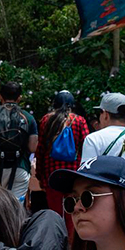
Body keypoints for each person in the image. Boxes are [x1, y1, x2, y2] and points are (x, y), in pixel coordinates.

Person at [35, 91, 90, 237]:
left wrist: (40, 176)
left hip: (51, 174)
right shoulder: (79, 121)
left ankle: (58, 243)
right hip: (74, 174)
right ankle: (72, 244)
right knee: (73, 211)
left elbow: (40, 150)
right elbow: (86, 147)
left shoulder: (46, 120)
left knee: (56, 213)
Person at [0, 81, 38, 202]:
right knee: (16, 206)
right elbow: (33, 146)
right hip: (20, 167)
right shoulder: (28, 117)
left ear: (0, 97)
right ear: (19, 98)